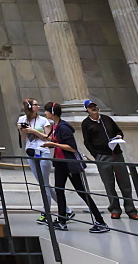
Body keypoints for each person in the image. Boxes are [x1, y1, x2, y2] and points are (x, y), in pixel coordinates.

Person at [42, 102, 110, 233]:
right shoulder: (55, 126)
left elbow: (72, 147)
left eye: (46, 111)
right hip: (60, 163)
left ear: (52, 113)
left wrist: (54, 145)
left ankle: (100, 221)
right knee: (59, 190)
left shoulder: (63, 127)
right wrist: (52, 144)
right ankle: (62, 220)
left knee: (81, 191)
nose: (45, 113)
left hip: (69, 163)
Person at [81, 100, 138, 220]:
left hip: (116, 154)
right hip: (102, 156)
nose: (94, 108)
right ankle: (115, 209)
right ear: (87, 110)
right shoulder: (86, 123)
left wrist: (119, 136)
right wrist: (96, 155)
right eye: (91, 107)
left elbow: (119, 131)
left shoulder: (107, 119)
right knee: (109, 183)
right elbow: (87, 141)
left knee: (125, 183)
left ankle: (130, 209)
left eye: (95, 106)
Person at [17, 97, 55, 225]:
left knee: (44, 185)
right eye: (35, 105)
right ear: (29, 107)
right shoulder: (22, 119)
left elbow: (47, 138)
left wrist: (32, 131)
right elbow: (23, 138)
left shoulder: (44, 120)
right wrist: (22, 130)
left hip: (43, 152)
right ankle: (65, 209)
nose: (38, 107)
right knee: (44, 183)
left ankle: (46, 213)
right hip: (30, 151)